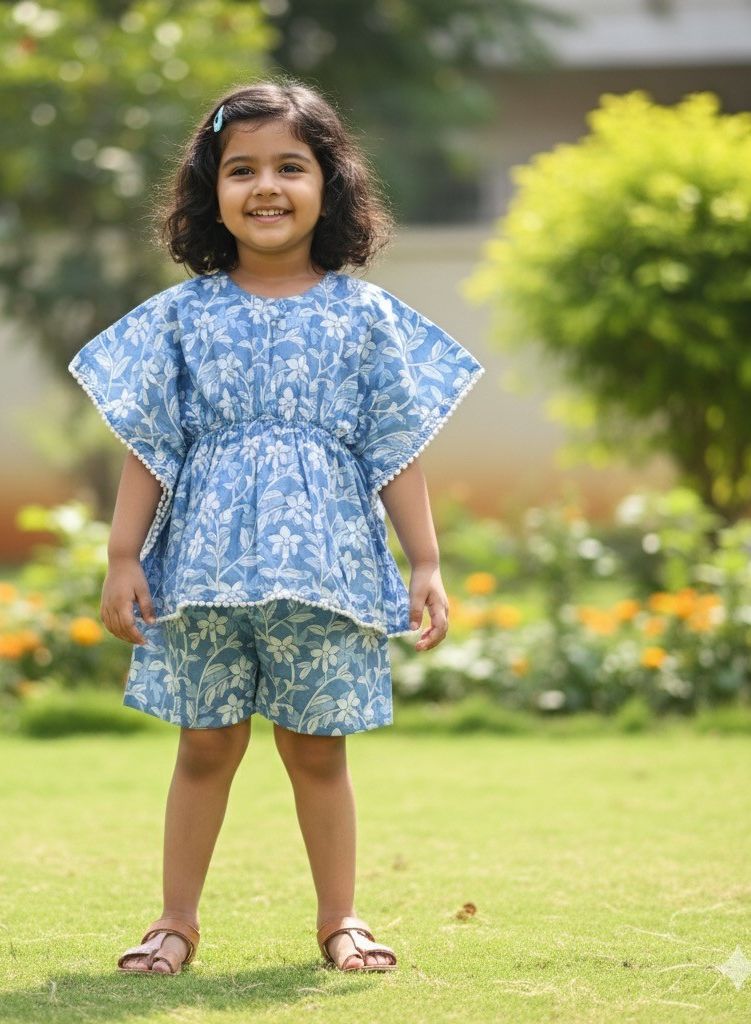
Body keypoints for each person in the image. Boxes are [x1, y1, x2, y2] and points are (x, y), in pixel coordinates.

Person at [68, 79, 484, 976]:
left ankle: (341, 920)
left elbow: (396, 446)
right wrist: (121, 556)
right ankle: (175, 923)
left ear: (330, 185)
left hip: (325, 572)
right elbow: (151, 444)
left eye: (291, 167)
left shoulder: (363, 316)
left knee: (317, 752)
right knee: (205, 744)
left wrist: (425, 562)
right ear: (210, 190)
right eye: (241, 169)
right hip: (203, 573)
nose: (266, 186)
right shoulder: (184, 316)